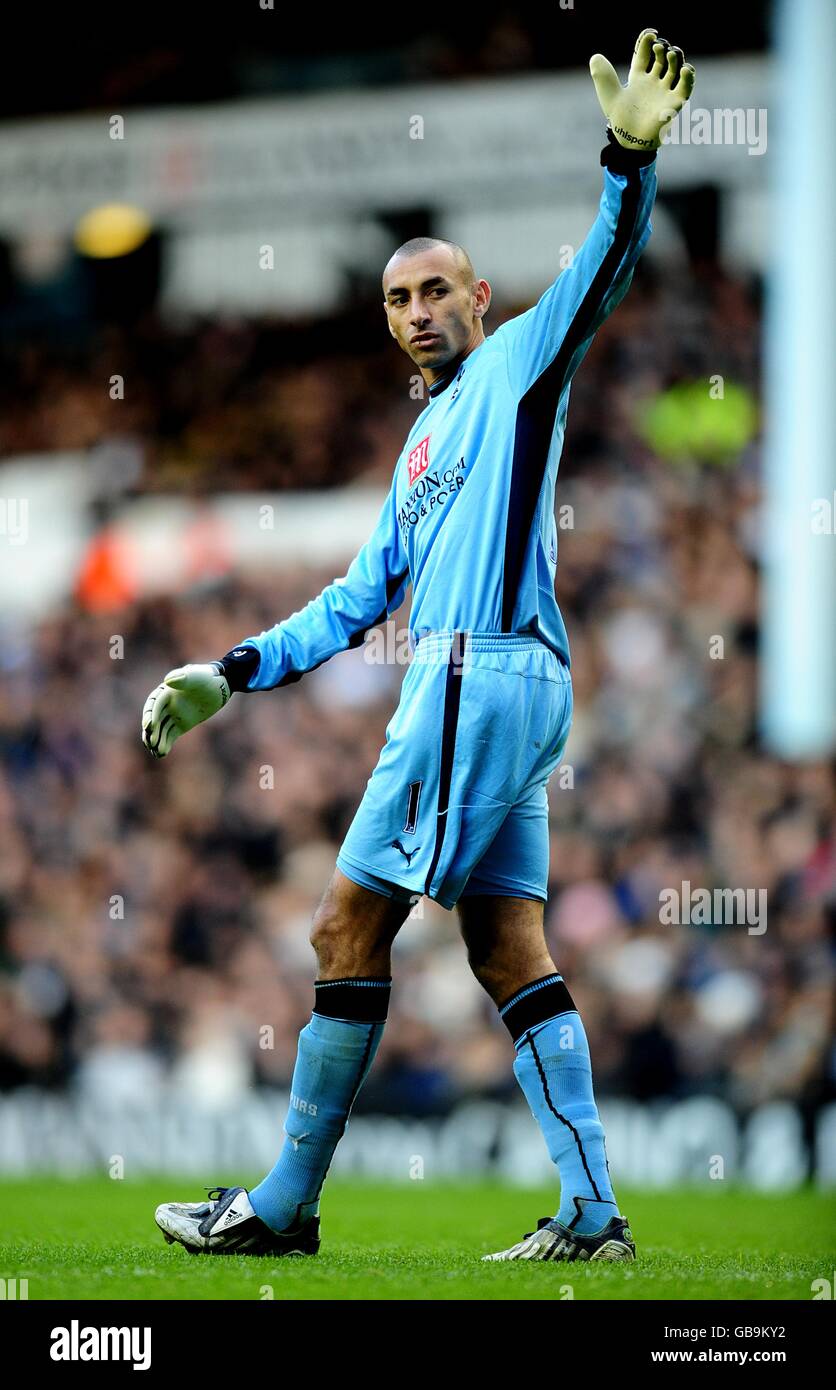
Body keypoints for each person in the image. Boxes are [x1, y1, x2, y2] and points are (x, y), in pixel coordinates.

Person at [144, 29, 695, 1263]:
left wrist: (628, 157)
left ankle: (281, 1210)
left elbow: (600, 270)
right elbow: (352, 601)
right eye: (397, 299)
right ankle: (594, 1210)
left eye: (435, 289)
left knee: (344, 929)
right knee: (505, 941)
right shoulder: (420, 450)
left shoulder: (515, 366)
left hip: (476, 672)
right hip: (501, 680)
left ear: (477, 298)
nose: (416, 313)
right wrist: (226, 672)